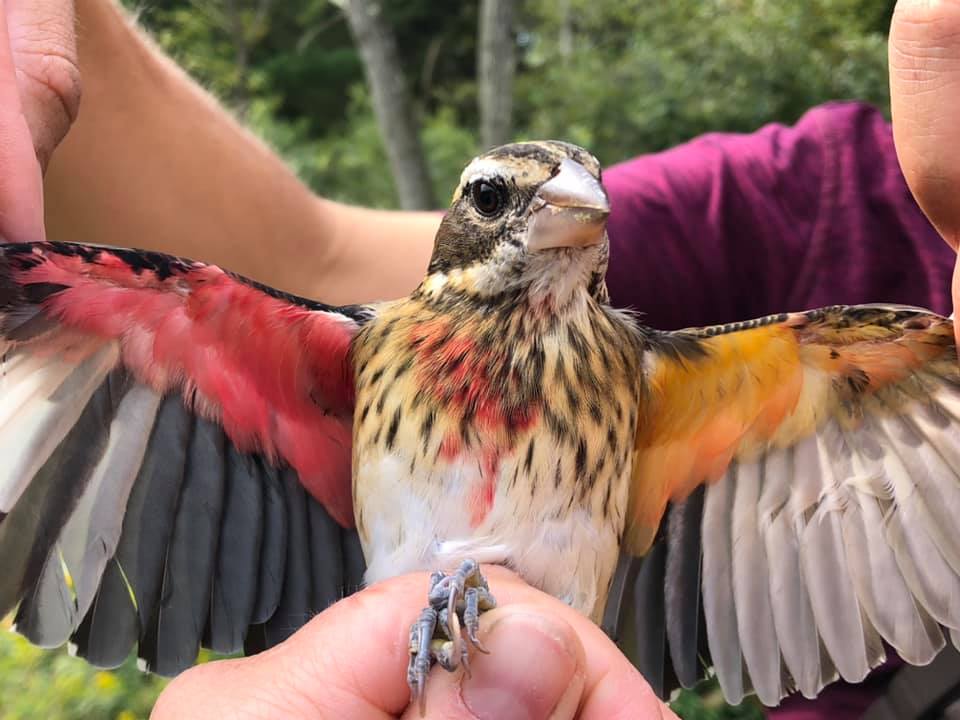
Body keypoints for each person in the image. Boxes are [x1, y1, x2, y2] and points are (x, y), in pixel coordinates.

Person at [1, 1, 958, 718]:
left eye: (577, 195)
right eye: (503, 199)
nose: (561, 207)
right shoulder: (352, 355)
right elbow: (301, 259)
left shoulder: (692, 379)